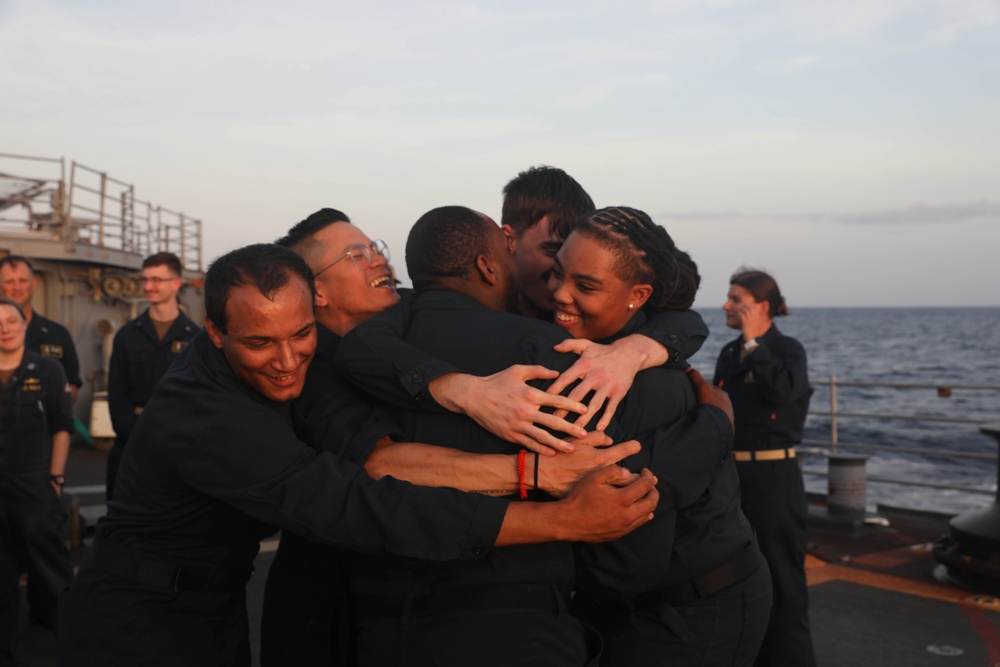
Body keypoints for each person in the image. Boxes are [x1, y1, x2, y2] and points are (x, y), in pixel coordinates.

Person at [57, 243, 659, 666]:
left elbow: (377, 449)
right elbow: (352, 504)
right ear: (213, 333)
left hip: (214, 607)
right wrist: (557, 518)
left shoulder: (296, 365)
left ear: (313, 308)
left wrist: (644, 348)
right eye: (261, 343)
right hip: (137, 620)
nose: (289, 360)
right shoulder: (206, 417)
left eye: (301, 334)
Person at [263, 209, 637, 666]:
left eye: (375, 248)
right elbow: (382, 465)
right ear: (315, 290)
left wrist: (645, 348)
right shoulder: (313, 369)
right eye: (355, 255)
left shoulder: (408, 321)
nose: (377, 260)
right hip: (332, 612)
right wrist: (535, 472)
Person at [337, 165, 712, 454]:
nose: (562, 276)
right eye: (555, 254)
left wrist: (633, 352)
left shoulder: (615, 342)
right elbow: (362, 347)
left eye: (584, 270)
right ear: (507, 241)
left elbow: (681, 315)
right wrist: (464, 390)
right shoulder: (435, 312)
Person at [550, 207, 772, 666]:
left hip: (689, 614)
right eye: (558, 273)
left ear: (639, 296)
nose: (560, 293)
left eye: (585, 286)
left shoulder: (647, 383)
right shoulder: (616, 345)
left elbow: (628, 562)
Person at [713, 268, 816, 667]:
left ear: (761, 307)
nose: (726, 305)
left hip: (774, 482)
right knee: (736, 581)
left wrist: (756, 343)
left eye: (736, 299)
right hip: (733, 479)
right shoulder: (728, 353)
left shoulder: (788, 350)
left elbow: (785, 392)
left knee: (784, 589)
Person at [0, 297, 75, 667]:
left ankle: (74, 645)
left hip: (35, 485)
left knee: (53, 572)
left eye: (11, 320)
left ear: (23, 324)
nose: (4, 328)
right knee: (1, 578)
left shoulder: (47, 370)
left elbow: (62, 428)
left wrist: (55, 479)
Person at [106, 252, 199, 500]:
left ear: (176, 283)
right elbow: (116, 392)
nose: (148, 286)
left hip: (177, 447)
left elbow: (199, 396)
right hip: (130, 444)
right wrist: (136, 436)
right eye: (145, 280)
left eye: (156, 280)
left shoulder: (195, 338)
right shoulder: (127, 335)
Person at [0, 256, 82, 402]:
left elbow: (71, 388)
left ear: (33, 284)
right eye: (10, 282)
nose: (17, 287)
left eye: (23, 281)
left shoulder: (57, 335)